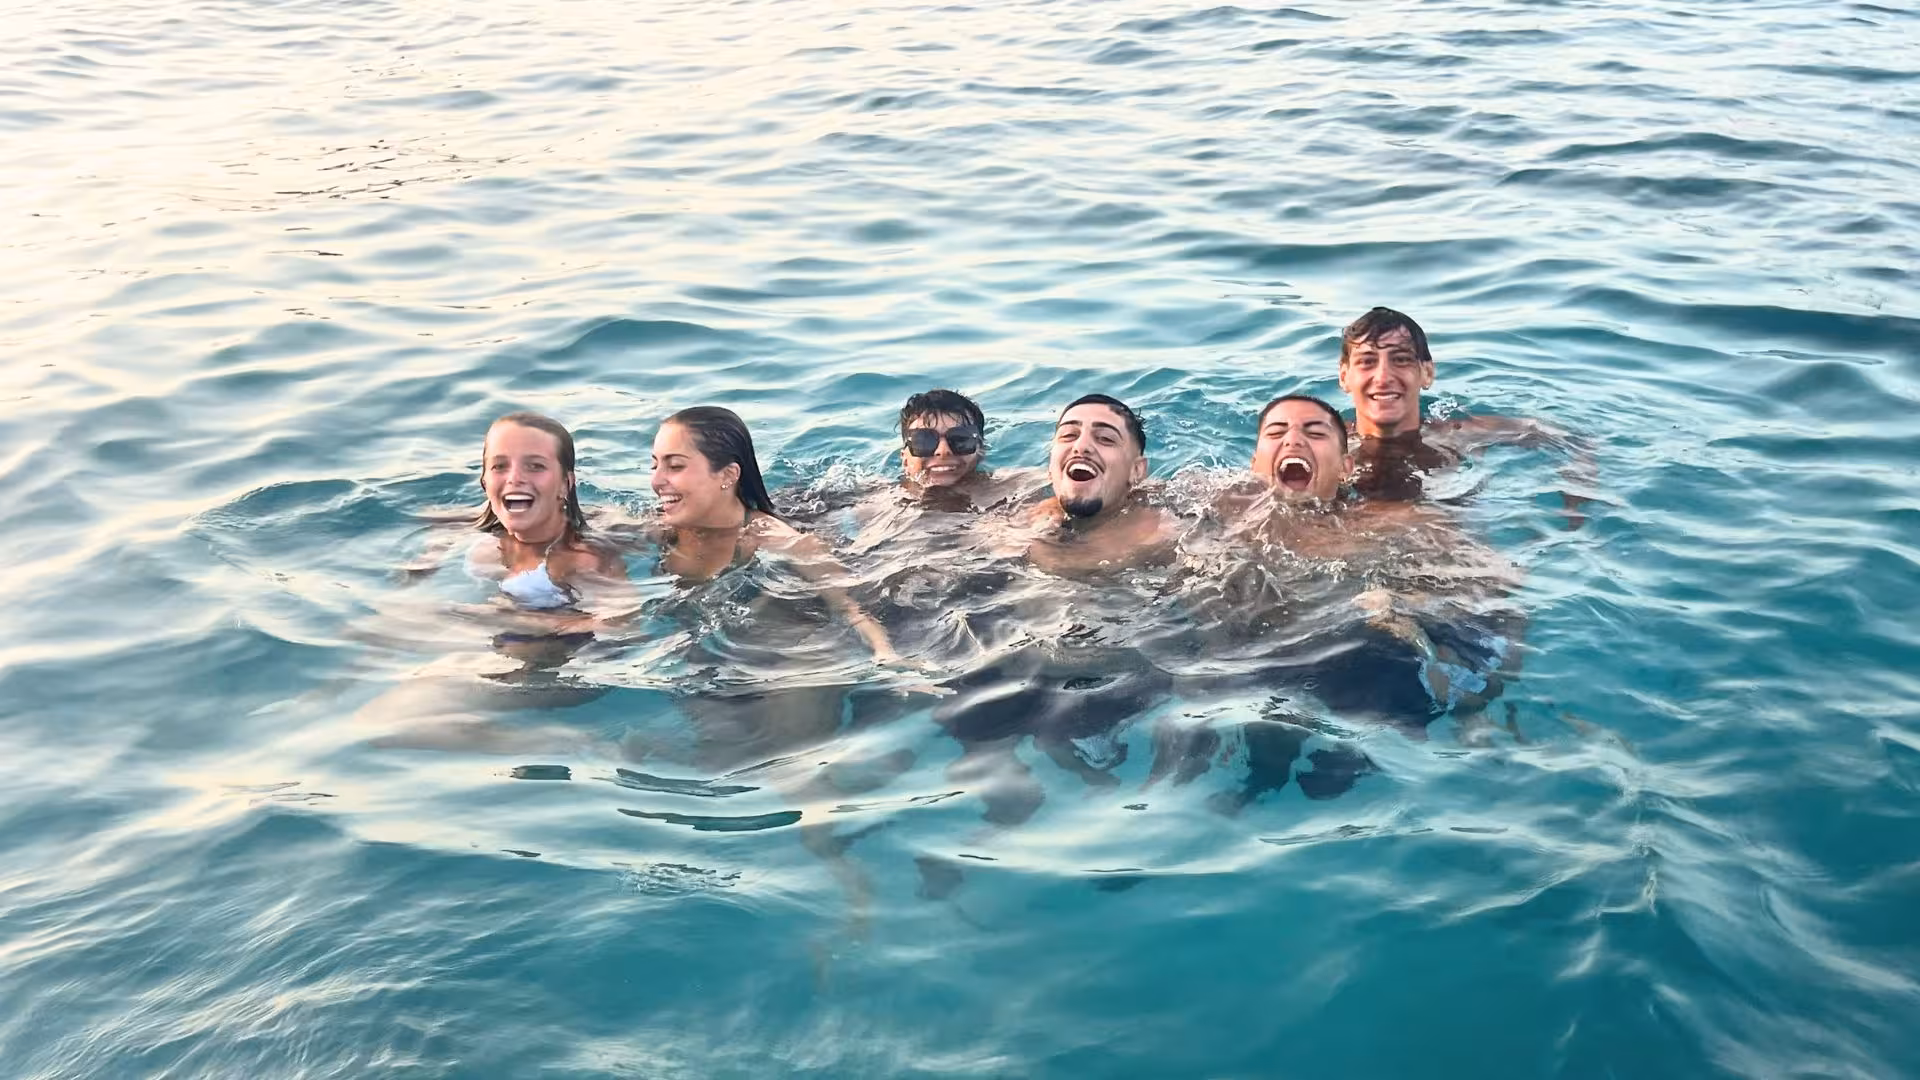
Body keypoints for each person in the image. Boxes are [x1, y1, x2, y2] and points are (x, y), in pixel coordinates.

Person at [1336, 306, 1593, 523]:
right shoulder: (1324, 443)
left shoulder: (1460, 434)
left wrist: (1575, 497)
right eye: (1367, 361)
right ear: (1344, 376)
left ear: (1427, 373)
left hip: (1444, 543)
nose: (1383, 378)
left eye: (1401, 360)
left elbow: (1572, 440)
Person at [1014, 393, 1176, 576]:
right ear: (1050, 468)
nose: (1081, 446)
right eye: (1068, 435)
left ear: (1137, 471)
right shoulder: (1010, 524)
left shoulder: (1171, 531)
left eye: (1106, 438)